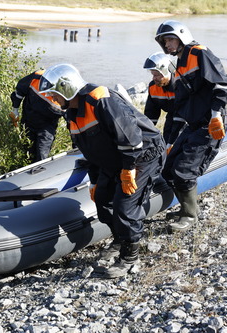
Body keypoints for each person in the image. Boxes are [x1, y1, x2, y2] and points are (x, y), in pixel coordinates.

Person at [39, 63, 165, 278]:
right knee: (103, 200)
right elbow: (90, 150)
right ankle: (119, 239)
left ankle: (129, 257)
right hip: (114, 158)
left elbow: (131, 138)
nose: (53, 98)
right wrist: (95, 181)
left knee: (125, 205)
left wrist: (128, 170)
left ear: (67, 88)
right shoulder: (72, 113)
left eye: (54, 93)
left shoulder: (101, 100)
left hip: (142, 154)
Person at [155, 20, 227, 231]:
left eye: (170, 39)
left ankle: (190, 216)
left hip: (210, 124)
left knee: (184, 170)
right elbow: (181, 105)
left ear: (181, 36)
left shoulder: (200, 53)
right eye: (164, 41)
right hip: (193, 124)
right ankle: (186, 208)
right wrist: (170, 141)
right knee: (168, 168)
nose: (167, 44)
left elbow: (222, 86)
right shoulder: (179, 64)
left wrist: (216, 115)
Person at [9, 69, 64, 162]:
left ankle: (41, 172)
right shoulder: (37, 77)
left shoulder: (65, 95)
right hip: (28, 122)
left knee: (42, 156)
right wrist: (15, 110)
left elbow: (72, 120)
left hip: (46, 128)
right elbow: (19, 92)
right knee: (27, 153)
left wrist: (76, 145)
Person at [143, 51, 179, 144]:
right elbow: (151, 113)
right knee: (166, 140)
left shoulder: (181, 85)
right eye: (153, 75)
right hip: (171, 115)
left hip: (189, 118)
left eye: (157, 75)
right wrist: (145, 134)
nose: (154, 78)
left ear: (167, 71)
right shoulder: (153, 87)